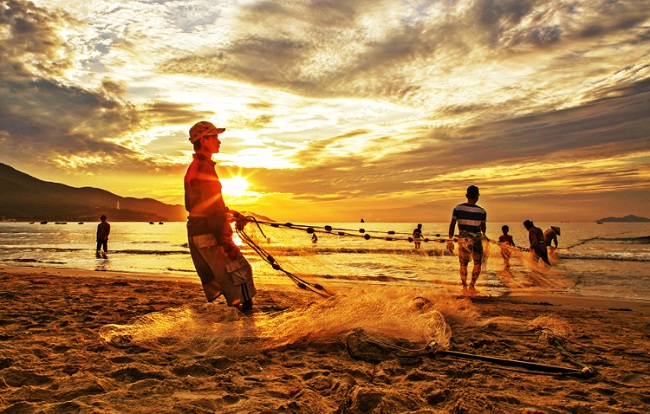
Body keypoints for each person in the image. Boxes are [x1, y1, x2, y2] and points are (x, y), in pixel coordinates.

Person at [184, 121, 255, 313]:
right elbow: (212, 209)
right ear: (203, 140)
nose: (218, 141)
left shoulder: (196, 166)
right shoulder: (204, 168)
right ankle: (246, 319)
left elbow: (203, 204)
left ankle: (241, 313)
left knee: (229, 276)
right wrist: (226, 240)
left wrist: (230, 212)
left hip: (198, 231)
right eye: (214, 137)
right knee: (240, 272)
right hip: (208, 232)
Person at [447, 185, 487, 293]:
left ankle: (464, 287)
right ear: (477, 197)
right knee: (477, 263)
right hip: (476, 239)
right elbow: (482, 227)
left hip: (463, 239)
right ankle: (472, 286)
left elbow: (452, 225)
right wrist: (484, 234)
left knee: (463, 264)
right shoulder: (482, 211)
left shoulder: (458, 208)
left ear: (466, 195)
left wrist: (450, 239)